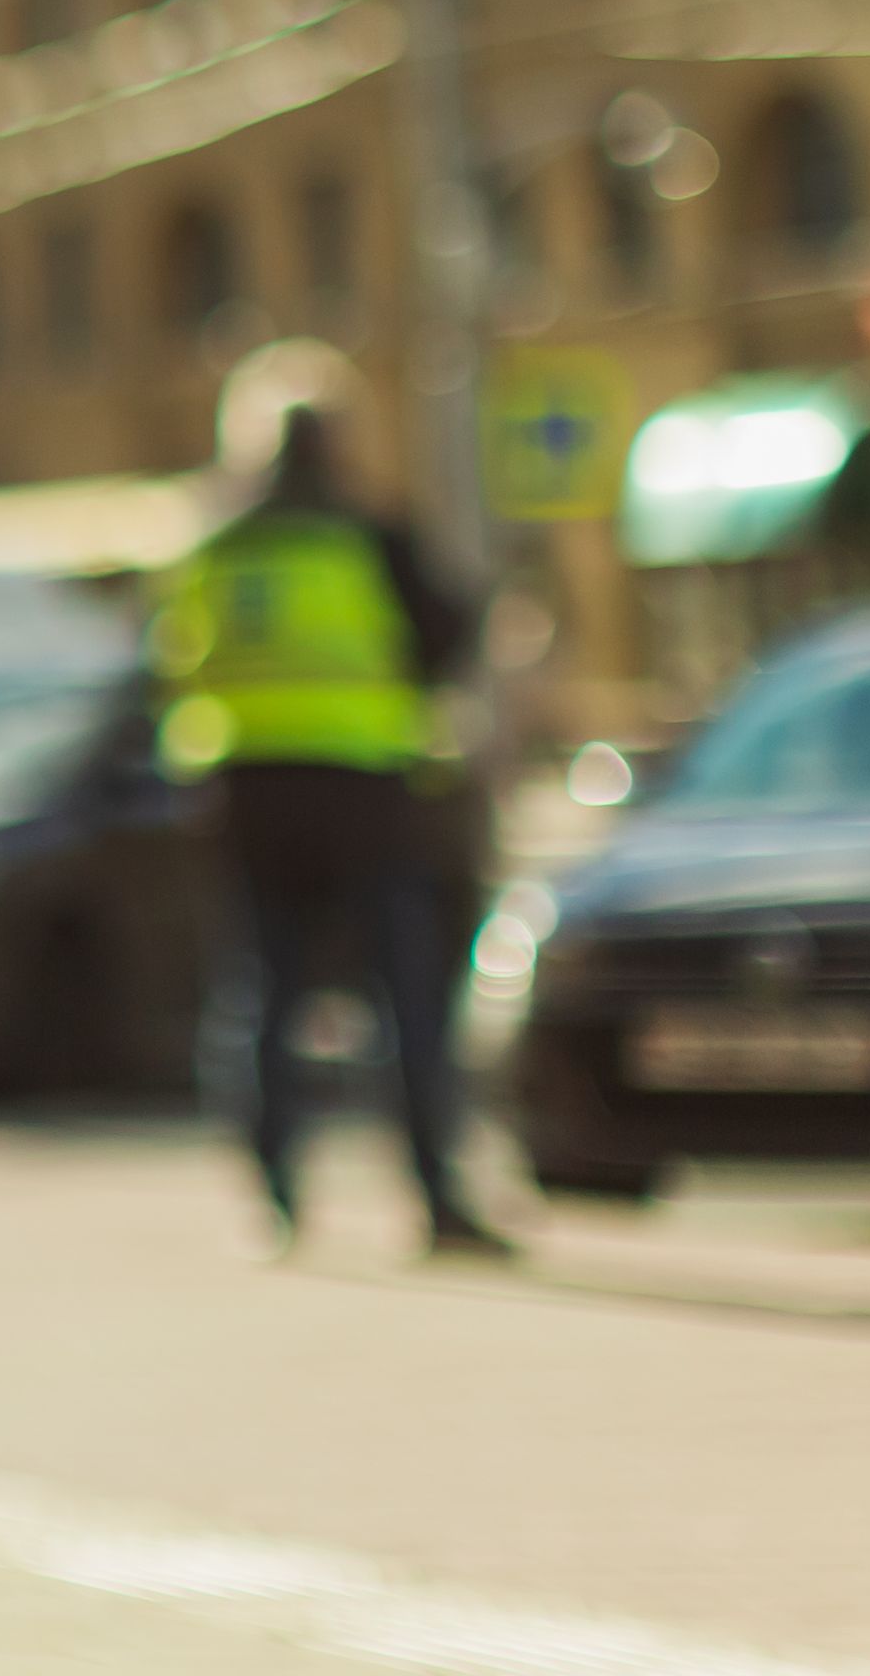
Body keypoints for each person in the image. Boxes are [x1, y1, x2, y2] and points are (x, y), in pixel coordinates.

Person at [154, 374, 510, 1259]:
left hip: (242, 789)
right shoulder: (371, 534)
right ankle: (437, 1194)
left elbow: (168, 659)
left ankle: (275, 1199)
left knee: (262, 992)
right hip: (366, 790)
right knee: (404, 995)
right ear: (339, 443)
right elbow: (451, 634)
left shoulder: (211, 542)